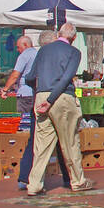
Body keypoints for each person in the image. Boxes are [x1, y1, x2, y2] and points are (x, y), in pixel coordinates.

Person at [26, 22, 93, 196]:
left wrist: (43, 95)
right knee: (69, 141)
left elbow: (30, 77)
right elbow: (65, 78)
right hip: (61, 97)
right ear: (74, 37)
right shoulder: (74, 53)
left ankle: (34, 185)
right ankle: (78, 181)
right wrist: (51, 99)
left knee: (41, 145)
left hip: (41, 95)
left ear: (58, 35)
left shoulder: (43, 50)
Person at [16, 31, 72, 191]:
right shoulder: (60, 55)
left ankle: (26, 178)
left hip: (40, 101)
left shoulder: (40, 55)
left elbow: (29, 77)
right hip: (58, 101)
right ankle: (69, 178)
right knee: (64, 140)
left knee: (36, 140)